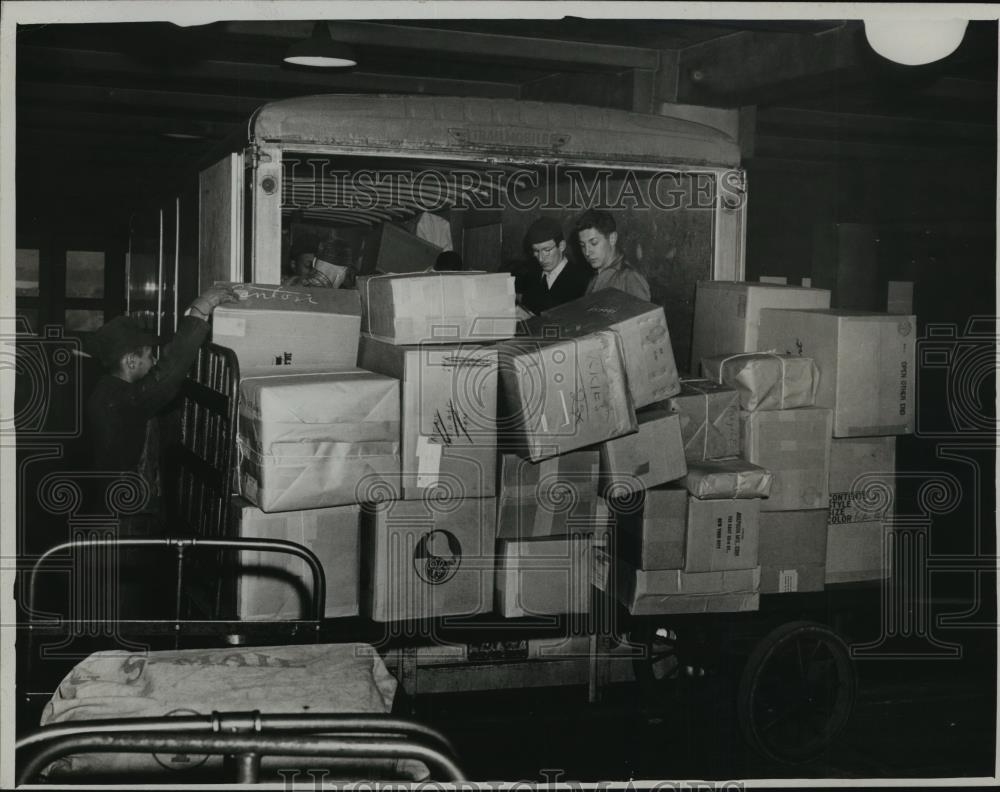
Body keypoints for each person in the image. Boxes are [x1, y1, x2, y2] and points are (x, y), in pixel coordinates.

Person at [519, 217, 591, 315]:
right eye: (536, 251)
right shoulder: (532, 275)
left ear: (561, 246)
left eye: (547, 250)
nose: (541, 258)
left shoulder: (581, 280)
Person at [575, 209, 651, 301]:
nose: (587, 252)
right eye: (583, 245)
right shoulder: (594, 279)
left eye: (594, 243)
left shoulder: (630, 278)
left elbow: (647, 315)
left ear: (612, 238)